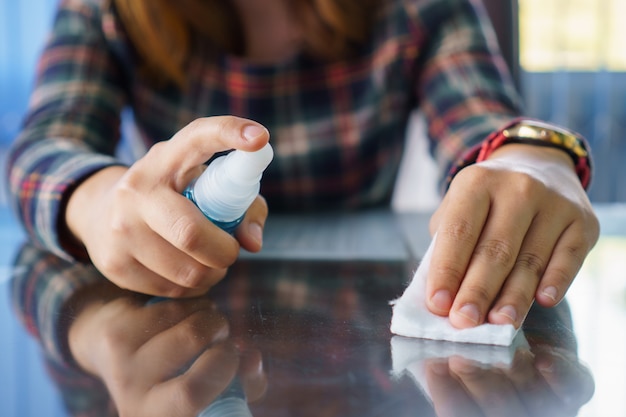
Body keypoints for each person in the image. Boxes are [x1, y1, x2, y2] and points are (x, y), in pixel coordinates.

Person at [5, 0, 599, 330]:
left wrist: (537, 159)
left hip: (356, 333)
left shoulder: (420, 8)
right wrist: (100, 202)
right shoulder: (106, 10)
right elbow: (43, 149)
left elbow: (483, 124)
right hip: (177, 320)